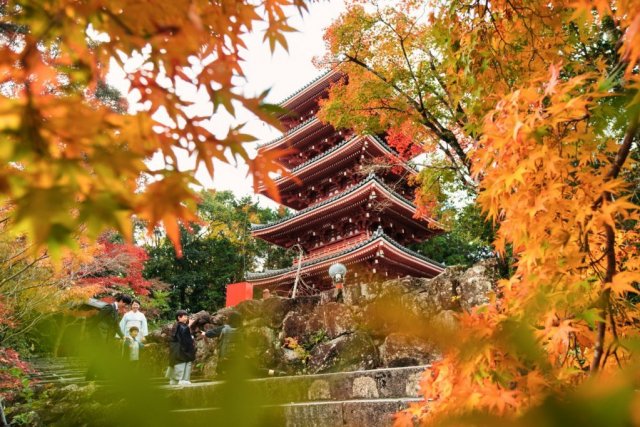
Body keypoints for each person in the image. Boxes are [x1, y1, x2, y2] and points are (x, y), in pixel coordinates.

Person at [203, 311, 243, 377]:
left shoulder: (224, 328)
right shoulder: (241, 329)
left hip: (225, 352)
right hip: (238, 353)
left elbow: (209, 334)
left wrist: (204, 333)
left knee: (224, 370)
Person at [168, 310, 196, 385]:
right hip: (181, 349)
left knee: (180, 362)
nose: (186, 318)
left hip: (180, 348)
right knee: (182, 363)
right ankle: (182, 379)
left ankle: (176, 380)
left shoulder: (179, 325)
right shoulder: (179, 325)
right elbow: (183, 333)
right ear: (179, 317)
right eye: (185, 316)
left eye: (187, 316)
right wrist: (189, 325)